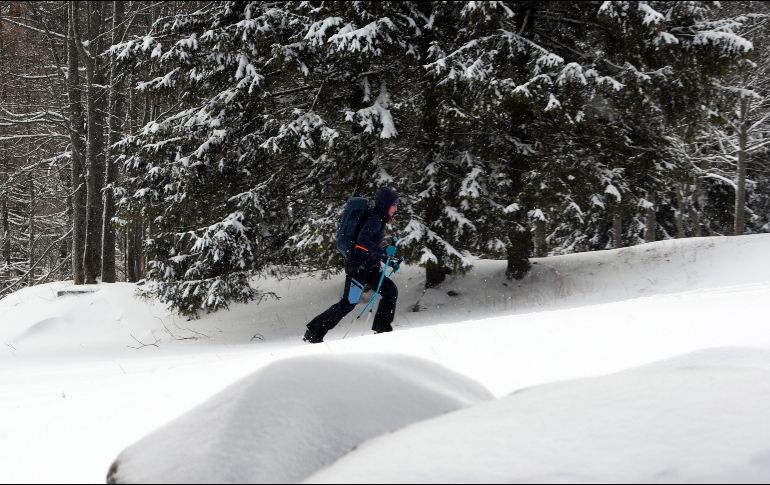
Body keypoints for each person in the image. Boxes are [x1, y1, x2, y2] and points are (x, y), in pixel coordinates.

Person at [304, 187, 401, 343]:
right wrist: (383, 252)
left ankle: (382, 330)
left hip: (370, 269)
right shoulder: (374, 220)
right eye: (394, 204)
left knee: (390, 291)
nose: (396, 208)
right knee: (348, 303)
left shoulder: (379, 220)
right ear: (385, 204)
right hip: (358, 269)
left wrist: (388, 259)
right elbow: (362, 243)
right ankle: (313, 332)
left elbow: (370, 248)